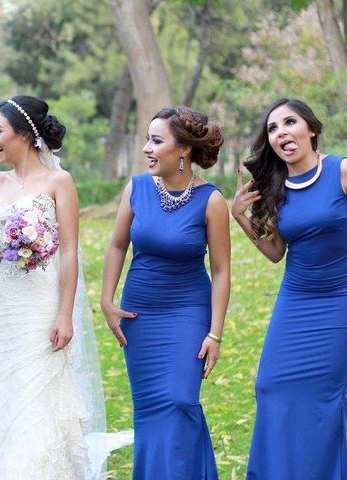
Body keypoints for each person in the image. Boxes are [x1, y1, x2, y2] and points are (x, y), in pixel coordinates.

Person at [0, 95, 121, 479]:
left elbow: (70, 252)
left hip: (41, 303)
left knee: (36, 392)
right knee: (4, 390)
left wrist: (65, 313)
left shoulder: (60, 182)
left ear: (24, 133)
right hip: (0, 303)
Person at [101, 106, 230, 479]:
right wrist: (107, 301)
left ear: (183, 150)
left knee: (180, 401)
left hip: (188, 312)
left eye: (156, 141)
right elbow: (115, 247)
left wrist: (215, 332)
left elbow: (221, 271)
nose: (147, 148)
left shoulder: (212, 200)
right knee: (152, 410)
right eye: (147, 139)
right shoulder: (137, 188)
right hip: (139, 314)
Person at [233, 98, 347, 480]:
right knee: (270, 387)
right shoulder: (277, 186)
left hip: (339, 302)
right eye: (272, 128)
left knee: (323, 400)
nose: (281, 132)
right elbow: (275, 252)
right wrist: (239, 215)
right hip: (296, 301)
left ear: (310, 129)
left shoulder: (341, 171)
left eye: (289, 122)